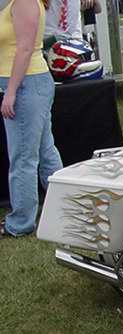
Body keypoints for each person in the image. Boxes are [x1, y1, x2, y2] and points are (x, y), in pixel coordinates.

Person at [0, 0, 63, 238]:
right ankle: (65, 207)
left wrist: (11, 92)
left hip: (27, 85)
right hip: (29, 84)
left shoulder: (24, 2)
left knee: (23, 158)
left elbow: (25, 48)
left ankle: (21, 222)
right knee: (46, 153)